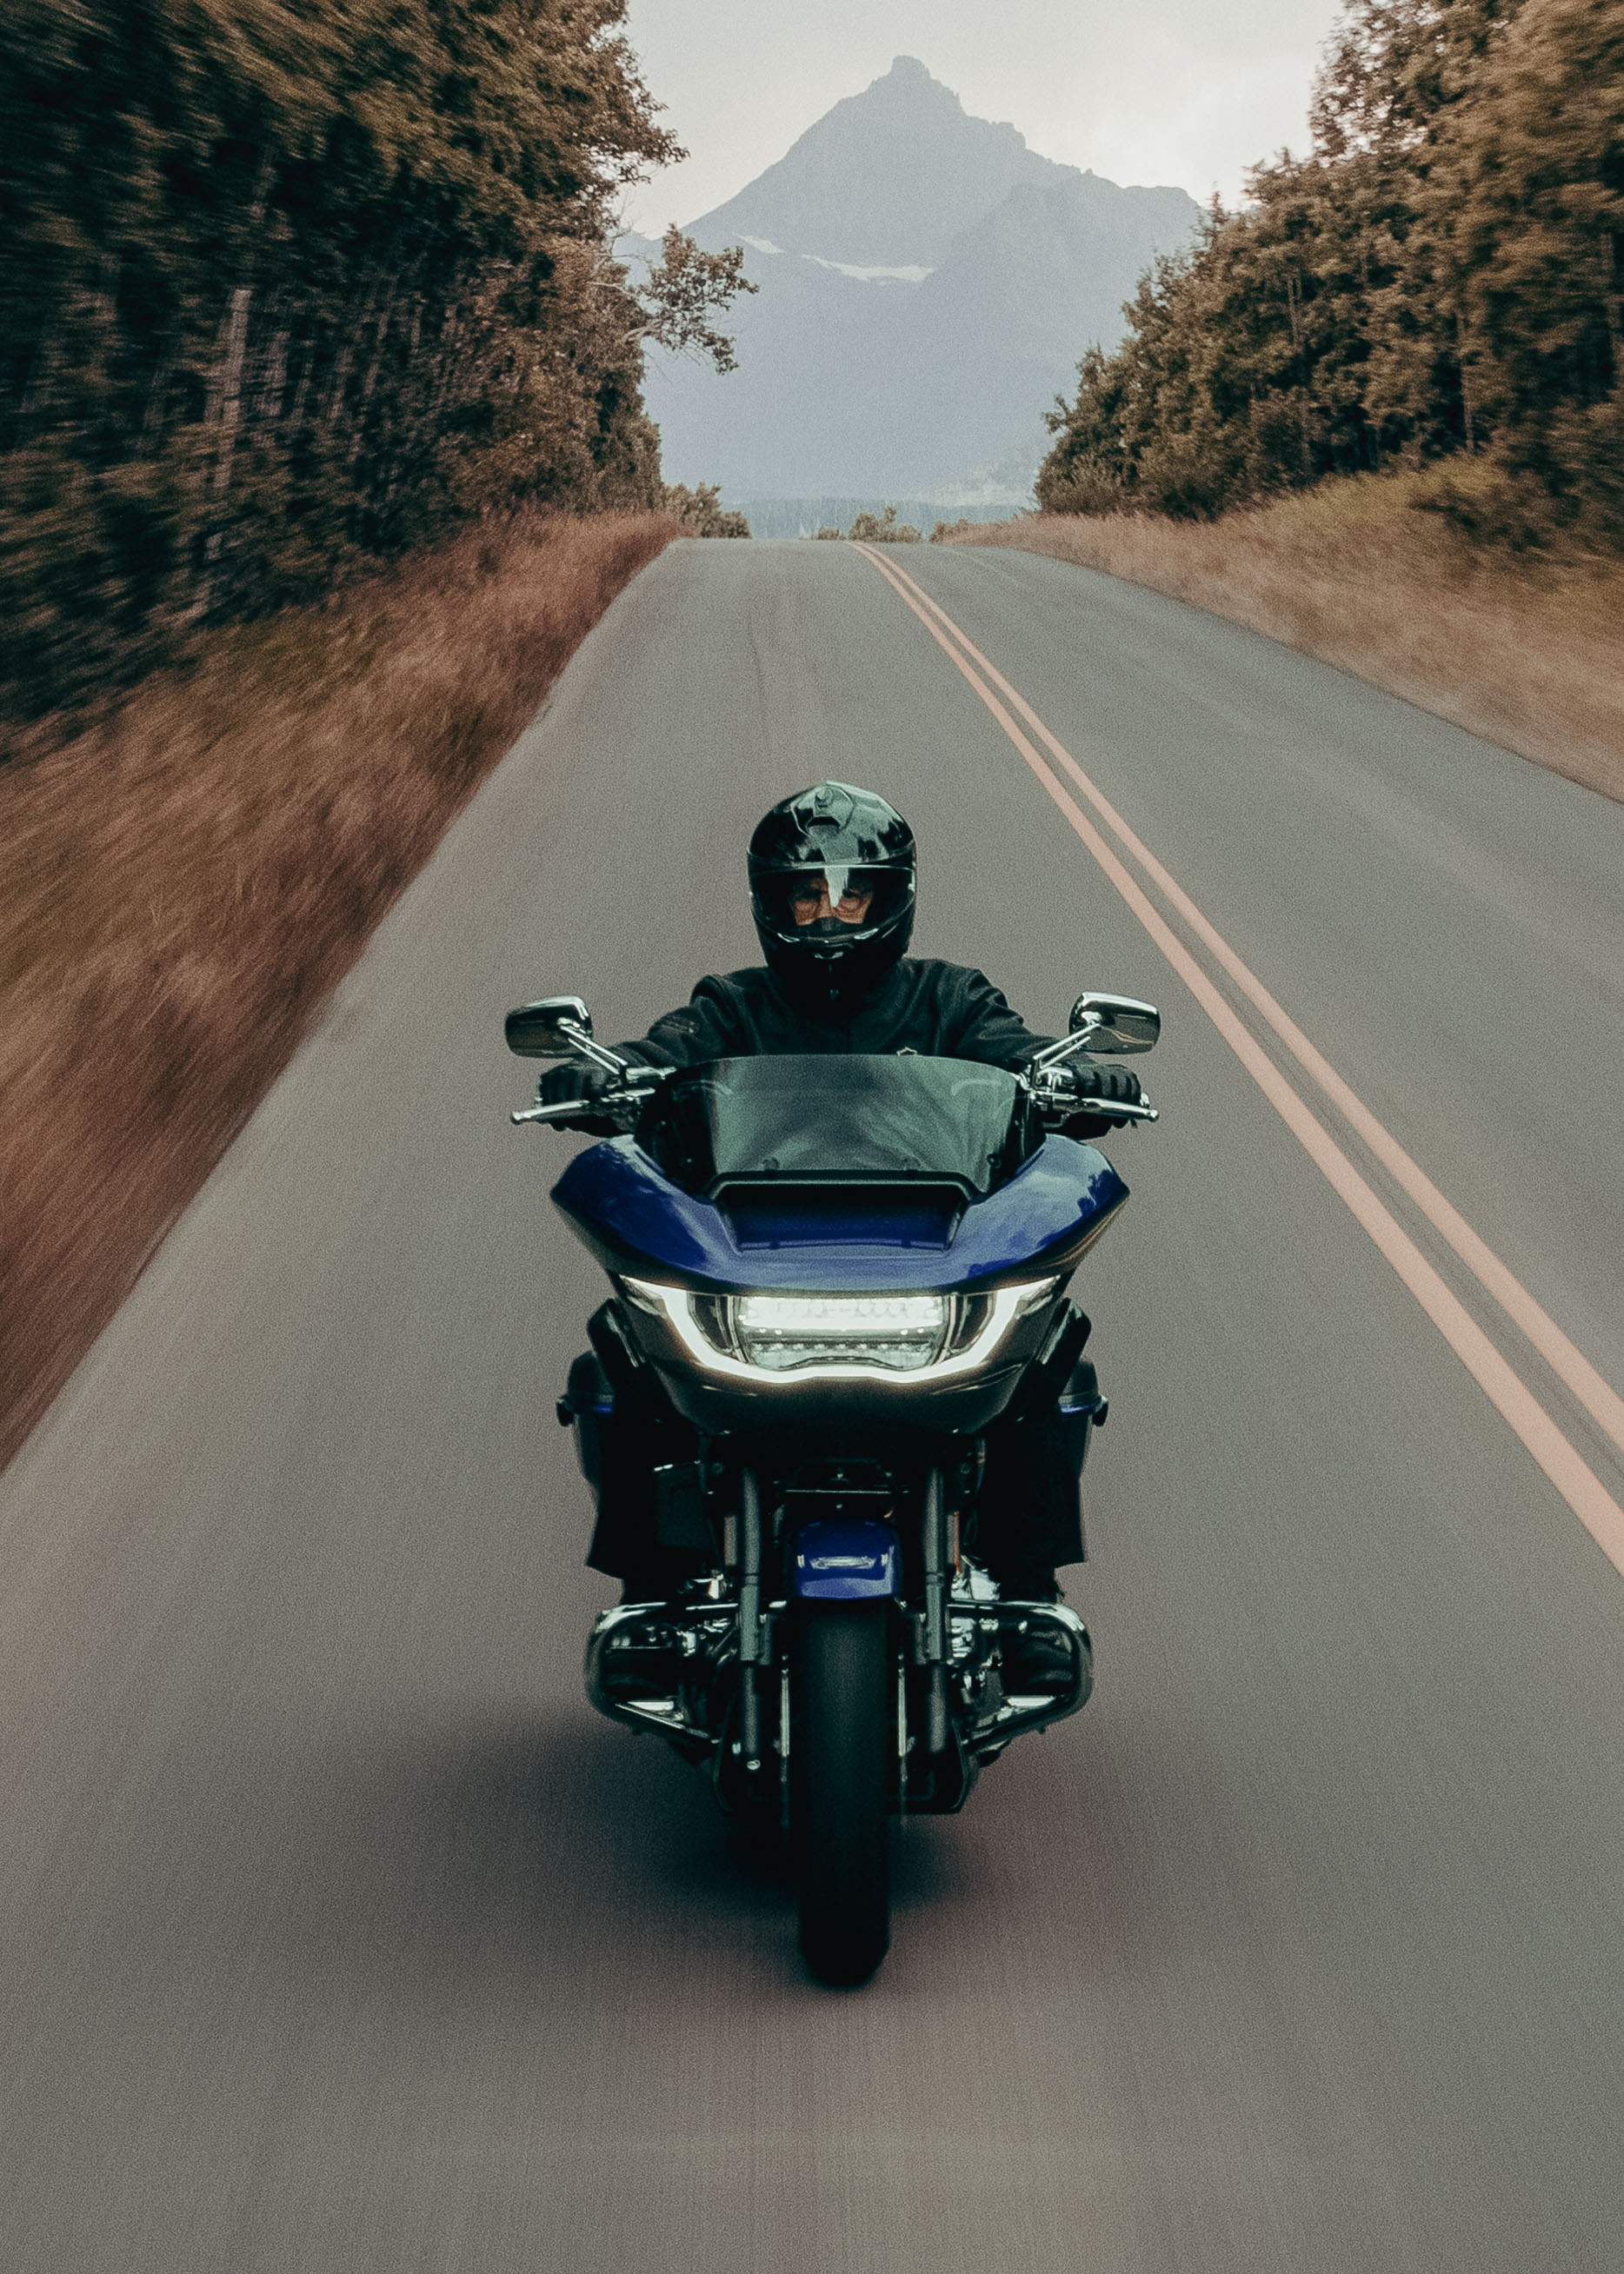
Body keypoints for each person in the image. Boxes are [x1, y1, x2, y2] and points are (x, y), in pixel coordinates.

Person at [542, 781, 1142, 1662]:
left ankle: (1026, 1589)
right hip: (761, 1260)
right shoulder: (731, 1007)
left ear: (890, 898)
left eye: (850, 895)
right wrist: (600, 1076)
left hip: (923, 1258)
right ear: (770, 902)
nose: (829, 917)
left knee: (1051, 1343)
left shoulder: (949, 1001)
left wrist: (1083, 1081)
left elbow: (1017, 1059)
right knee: (622, 1343)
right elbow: (660, 1056)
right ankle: (651, 1589)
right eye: (806, 896)